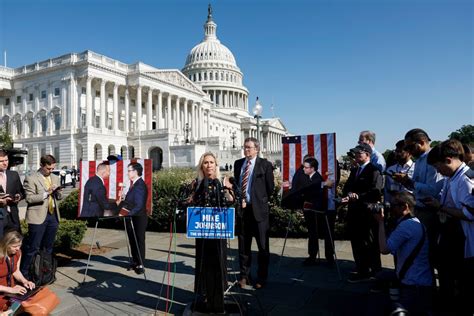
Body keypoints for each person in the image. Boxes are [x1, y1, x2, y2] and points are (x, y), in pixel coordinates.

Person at [424, 139, 474, 315]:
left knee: (461, 282)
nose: (439, 172)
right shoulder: (452, 177)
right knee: (447, 275)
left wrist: (440, 207)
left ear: (448, 160)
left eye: (439, 167)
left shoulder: (467, 179)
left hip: (462, 239)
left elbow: (470, 213)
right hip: (450, 235)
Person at [189, 152, 233, 313]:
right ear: (202, 166)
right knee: (203, 260)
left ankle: (220, 292)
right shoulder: (197, 183)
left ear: (216, 165)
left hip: (218, 230)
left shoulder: (222, 181)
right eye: (206, 162)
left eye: (212, 162)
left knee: (219, 260)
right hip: (201, 230)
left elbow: (230, 201)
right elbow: (191, 201)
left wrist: (229, 189)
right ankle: (205, 292)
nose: (209, 165)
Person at [375, 192, 433, 315]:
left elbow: (384, 249)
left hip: (415, 286)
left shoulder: (406, 226)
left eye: (394, 205)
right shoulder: (415, 222)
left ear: (405, 207)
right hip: (420, 282)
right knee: (380, 276)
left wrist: (380, 222)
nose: (390, 207)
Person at [392, 128, 443, 267]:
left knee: (427, 252)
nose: (408, 150)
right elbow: (416, 186)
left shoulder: (433, 160)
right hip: (418, 209)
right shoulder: (419, 160)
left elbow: (433, 190)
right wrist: (406, 181)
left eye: (409, 146)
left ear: (421, 142)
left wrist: (411, 182)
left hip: (429, 212)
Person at [234, 137, 274, 289]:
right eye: (245, 147)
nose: (246, 150)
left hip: (259, 212)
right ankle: (244, 276)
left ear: (257, 149)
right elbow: (237, 186)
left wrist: (257, 200)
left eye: (249, 147)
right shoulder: (238, 164)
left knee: (263, 247)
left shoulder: (265, 164)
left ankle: (262, 278)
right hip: (243, 211)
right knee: (243, 247)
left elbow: (270, 188)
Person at [342, 143, 383, 282]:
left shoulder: (374, 171)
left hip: (367, 213)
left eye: (359, 153)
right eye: (356, 153)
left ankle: (374, 271)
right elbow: (346, 187)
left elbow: (376, 192)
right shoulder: (355, 170)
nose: (356, 156)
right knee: (356, 242)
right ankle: (361, 269)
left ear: (367, 155)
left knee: (370, 244)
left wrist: (358, 196)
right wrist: (349, 193)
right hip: (354, 212)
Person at [20, 155, 63, 278]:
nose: (51, 171)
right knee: (33, 247)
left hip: (53, 215)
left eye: (53, 168)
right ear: (42, 165)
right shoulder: (31, 178)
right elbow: (29, 198)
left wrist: (58, 192)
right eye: (48, 168)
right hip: (37, 217)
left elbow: (58, 197)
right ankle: (25, 274)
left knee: (48, 247)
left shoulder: (55, 177)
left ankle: (45, 273)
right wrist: (46, 193)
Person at [118, 162, 148, 274]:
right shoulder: (134, 184)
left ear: (136, 172)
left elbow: (139, 205)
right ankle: (135, 261)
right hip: (132, 217)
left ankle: (140, 264)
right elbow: (132, 201)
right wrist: (124, 198)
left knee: (139, 240)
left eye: (129, 170)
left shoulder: (140, 185)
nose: (128, 173)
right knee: (132, 239)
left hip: (139, 217)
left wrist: (126, 214)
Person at [0, 231, 36, 313]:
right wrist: (10, 290)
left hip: (11, 291)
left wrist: (25, 281)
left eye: (19, 245)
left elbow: (16, 271)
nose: (18, 248)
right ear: (6, 244)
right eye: (14, 246)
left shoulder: (18, 253)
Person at [0, 149, 25, 235]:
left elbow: (22, 192)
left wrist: (18, 196)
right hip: (0, 217)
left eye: (6, 160)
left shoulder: (13, 175)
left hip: (12, 216)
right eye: (1, 161)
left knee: (14, 243)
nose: (5, 163)